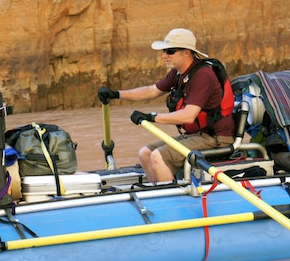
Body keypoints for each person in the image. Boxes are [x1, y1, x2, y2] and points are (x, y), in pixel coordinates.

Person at [98, 28, 235, 183]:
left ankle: (169, 200)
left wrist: (151, 117)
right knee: (145, 153)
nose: (164, 55)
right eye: (164, 51)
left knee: (158, 157)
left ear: (187, 52)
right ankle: (157, 192)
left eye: (170, 51)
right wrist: (116, 94)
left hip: (216, 138)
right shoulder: (178, 73)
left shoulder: (203, 76)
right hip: (196, 135)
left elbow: (189, 116)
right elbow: (151, 91)